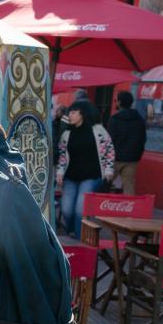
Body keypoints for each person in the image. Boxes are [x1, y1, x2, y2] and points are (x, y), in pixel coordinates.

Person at [57, 100, 115, 238]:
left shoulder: (98, 130)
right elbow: (62, 155)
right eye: (69, 112)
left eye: (73, 112)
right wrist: (60, 172)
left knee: (79, 210)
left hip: (91, 175)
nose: (69, 115)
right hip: (71, 176)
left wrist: (108, 170)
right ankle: (70, 231)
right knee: (66, 209)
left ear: (82, 114)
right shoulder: (66, 134)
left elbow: (109, 150)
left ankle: (79, 239)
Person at [107, 91, 147, 194]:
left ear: (119, 102)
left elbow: (109, 140)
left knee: (105, 185)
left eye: (116, 100)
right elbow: (143, 139)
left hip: (115, 158)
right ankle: (129, 208)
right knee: (129, 187)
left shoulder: (114, 119)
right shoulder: (139, 119)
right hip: (132, 159)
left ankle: (101, 208)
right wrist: (137, 155)